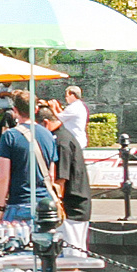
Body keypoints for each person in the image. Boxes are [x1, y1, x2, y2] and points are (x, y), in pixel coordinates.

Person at [0, 93, 58, 223]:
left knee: (14, 242)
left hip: (19, 202)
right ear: (35, 109)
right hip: (44, 203)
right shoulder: (48, 135)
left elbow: (3, 175)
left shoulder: (10, 136)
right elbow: (51, 174)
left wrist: (1, 205)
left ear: (15, 111)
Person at [38, 102, 93, 253]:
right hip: (75, 203)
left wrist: (56, 203)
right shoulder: (63, 136)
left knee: (73, 254)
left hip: (72, 205)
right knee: (73, 252)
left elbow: (61, 179)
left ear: (46, 123)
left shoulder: (61, 141)